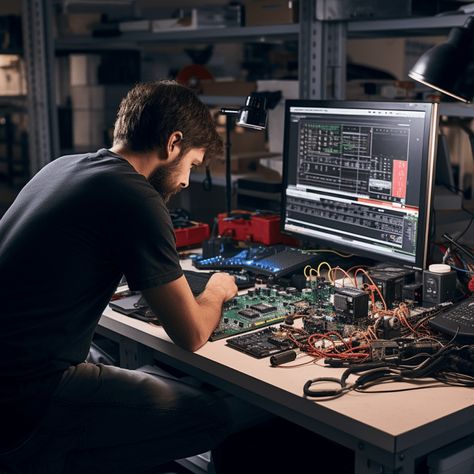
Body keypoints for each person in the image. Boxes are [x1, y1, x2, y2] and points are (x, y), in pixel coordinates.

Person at [0, 80, 259, 473]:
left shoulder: (62, 166)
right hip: (31, 399)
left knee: (143, 377)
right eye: (191, 164)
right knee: (216, 415)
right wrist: (216, 291)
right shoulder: (135, 196)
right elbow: (191, 334)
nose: (187, 180)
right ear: (173, 143)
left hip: (10, 383)